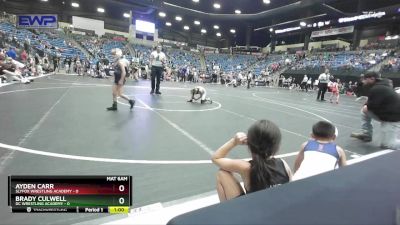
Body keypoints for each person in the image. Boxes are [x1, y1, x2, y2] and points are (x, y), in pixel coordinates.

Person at [212, 120, 292, 202]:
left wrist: (234, 142)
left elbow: (216, 158)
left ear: (249, 144)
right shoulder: (283, 164)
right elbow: (291, 190)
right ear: (276, 146)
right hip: (280, 209)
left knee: (222, 173)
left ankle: (225, 210)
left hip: (254, 212)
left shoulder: (246, 167)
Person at [351, 72, 400, 150]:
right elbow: (373, 101)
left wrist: (367, 106)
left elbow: (373, 106)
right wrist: (367, 105)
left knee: (388, 145)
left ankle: (369, 134)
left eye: (365, 79)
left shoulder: (377, 88)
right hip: (387, 114)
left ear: (372, 79)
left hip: (393, 119)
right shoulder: (381, 86)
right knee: (364, 111)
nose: (363, 82)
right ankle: (367, 135)